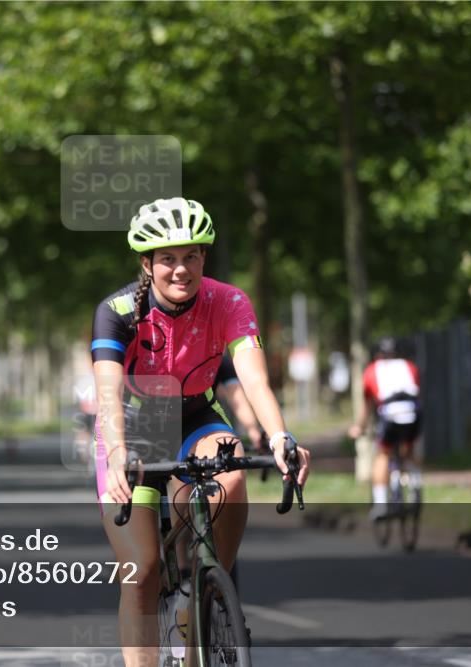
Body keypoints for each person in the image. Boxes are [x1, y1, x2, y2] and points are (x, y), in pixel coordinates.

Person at [91, 197, 310, 666]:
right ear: (146, 264)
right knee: (142, 570)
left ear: (204, 258)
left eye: (191, 255)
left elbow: (253, 378)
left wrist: (279, 437)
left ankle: (210, 592)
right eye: (167, 258)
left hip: (197, 415)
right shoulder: (118, 310)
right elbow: (107, 394)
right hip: (135, 424)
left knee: (230, 474)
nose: (181, 269)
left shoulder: (228, 300)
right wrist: (116, 456)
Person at [347, 337, 422, 520]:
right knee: (408, 450)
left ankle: (380, 506)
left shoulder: (372, 370)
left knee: (383, 455)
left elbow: (367, 405)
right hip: (414, 414)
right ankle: (415, 485)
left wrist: (359, 427)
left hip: (390, 416)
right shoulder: (410, 367)